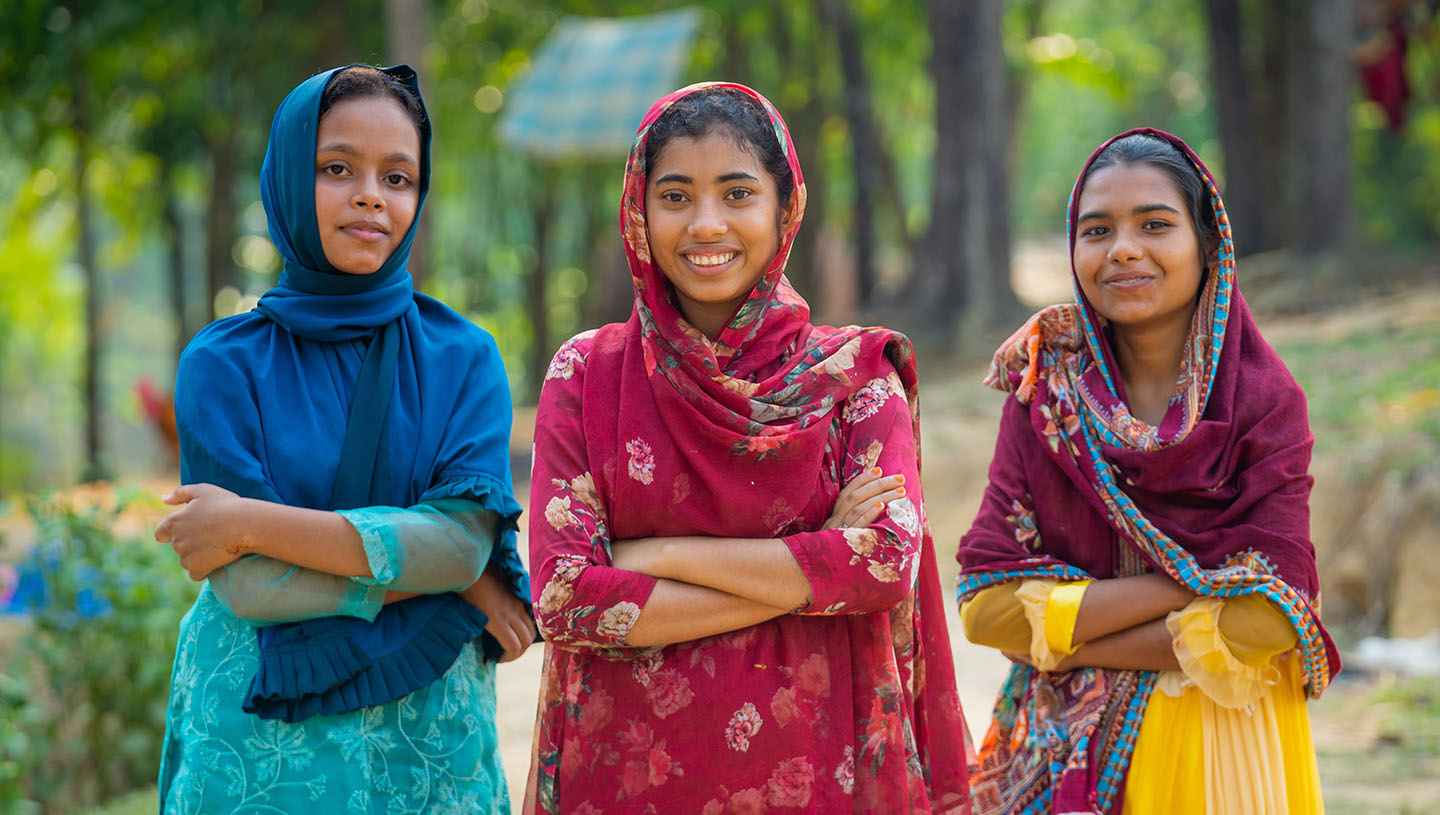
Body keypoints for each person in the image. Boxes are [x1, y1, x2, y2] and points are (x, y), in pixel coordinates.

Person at [523, 82, 973, 814]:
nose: (706, 225)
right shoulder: (588, 374)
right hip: (626, 778)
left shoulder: (853, 380)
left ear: (785, 206)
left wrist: (657, 555)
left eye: (737, 194)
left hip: (823, 767)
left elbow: (886, 562)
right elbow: (566, 597)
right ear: (639, 211)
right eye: (675, 197)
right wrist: (812, 564)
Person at [153, 64, 534, 813]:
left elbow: (457, 547)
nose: (370, 194)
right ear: (291, 176)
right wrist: (454, 584)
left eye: (398, 177)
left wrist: (246, 523)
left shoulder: (462, 357)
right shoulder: (222, 363)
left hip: (427, 747)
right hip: (258, 745)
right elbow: (251, 586)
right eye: (337, 168)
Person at [956, 128, 1340, 814]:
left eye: (1155, 224)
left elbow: (1275, 620)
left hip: (1222, 735)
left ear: (1208, 243)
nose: (1123, 248)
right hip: (1070, 743)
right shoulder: (1046, 398)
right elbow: (985, 607)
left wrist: (1068, 643)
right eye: (1096, 229)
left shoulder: (1263, 403)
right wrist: (1191, 585)